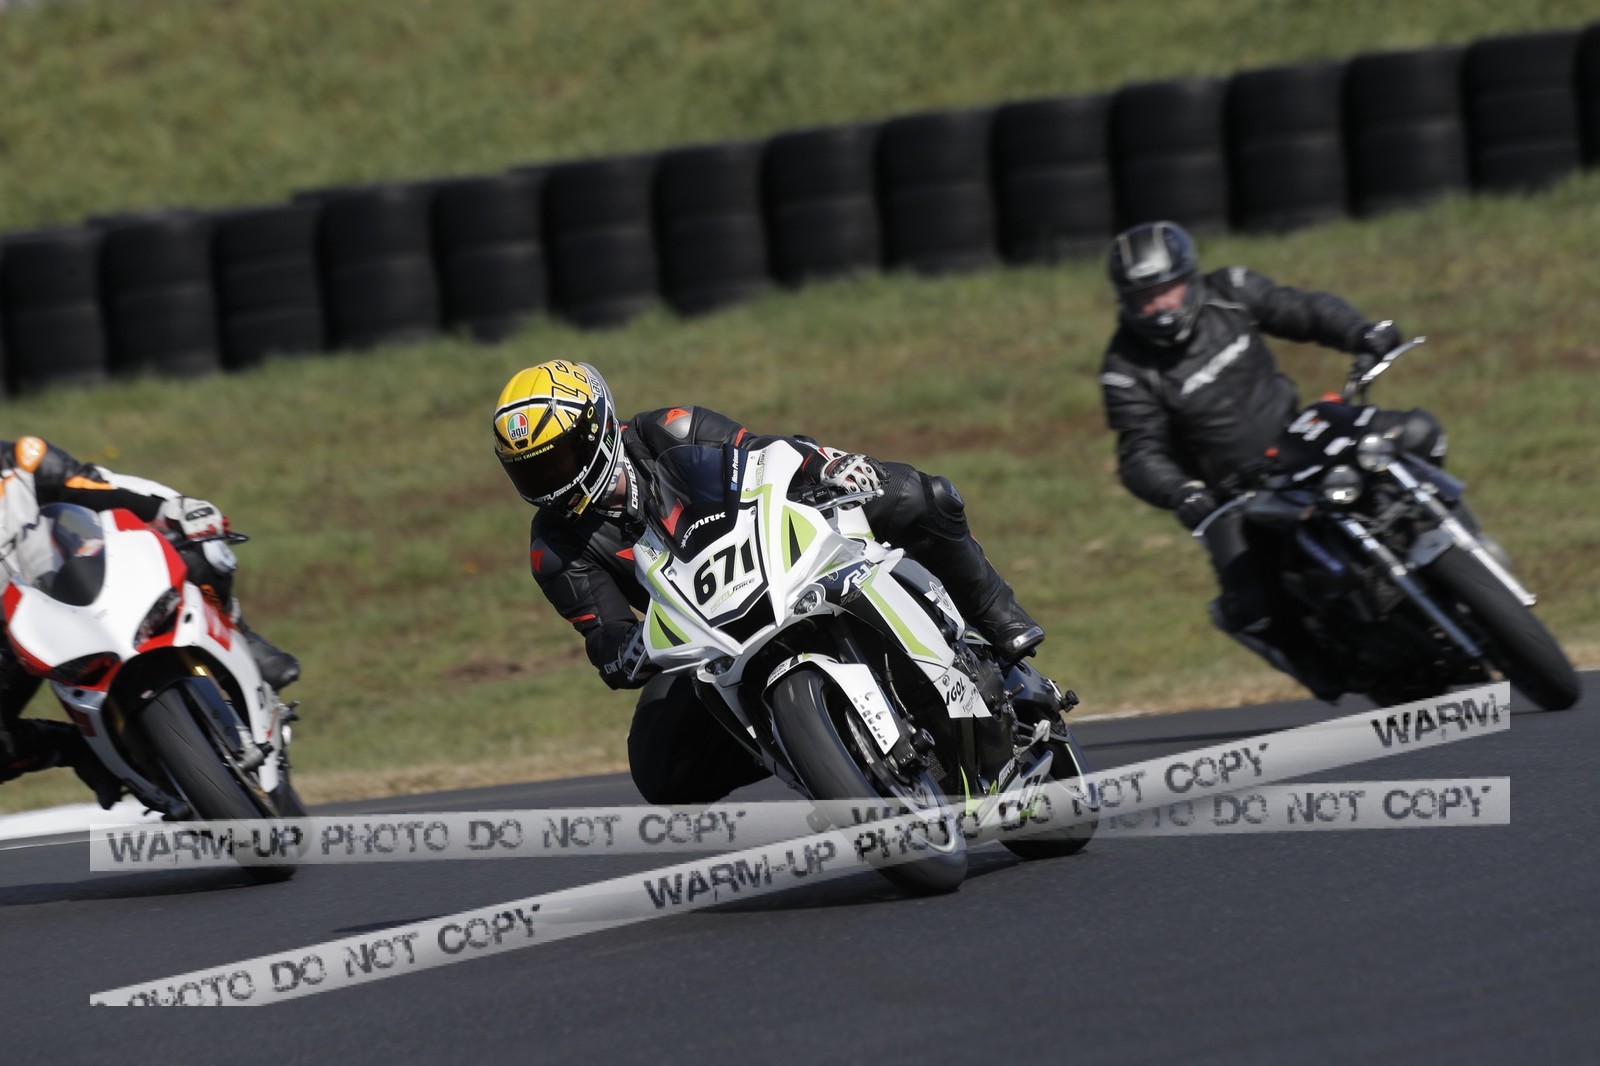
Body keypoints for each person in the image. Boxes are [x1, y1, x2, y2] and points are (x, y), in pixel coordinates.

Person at [492, 360, 1044, 804]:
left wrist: (825, 466)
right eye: (530, 471)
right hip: (708, 635)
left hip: (780, 554)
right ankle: (807, 745)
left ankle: (1001, 621)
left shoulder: (670, 428)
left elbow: (761, 455)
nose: (548, 483)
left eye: (556, 460)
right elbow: (605, 637)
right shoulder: (554, 548)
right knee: (659, 769)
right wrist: (629, 651)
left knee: (918, 494)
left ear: (597, 430)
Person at [1097, 220, 1447, 701]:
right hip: (1233, 492)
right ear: (1125, 302)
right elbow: (1139, 451)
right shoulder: (1124, 369)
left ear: (1188, 278)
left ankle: (1445, 532)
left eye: (1165, 291)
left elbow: (1302, 311)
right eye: (1143, 298)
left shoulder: (1230, 290)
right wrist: (1182, 492)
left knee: (1417, 431)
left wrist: (1363, 334)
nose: (1158, 307)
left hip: (1302, 436)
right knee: (1251, 600)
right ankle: (1320, 664)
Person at [0, 436, 299, 808]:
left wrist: (173, 509)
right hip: (17, 635)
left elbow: (96, 486)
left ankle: (241, 632)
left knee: (193, 546)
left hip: (79, 576)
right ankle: (79, 750)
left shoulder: (19, 460)